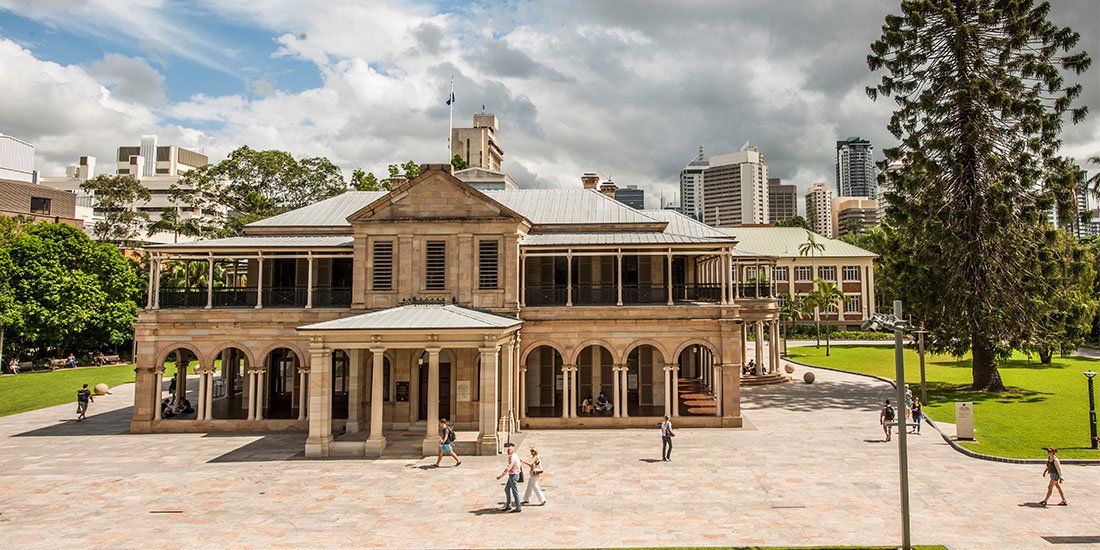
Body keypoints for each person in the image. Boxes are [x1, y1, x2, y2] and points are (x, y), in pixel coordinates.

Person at [495, 445, 523, 512]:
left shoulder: (512, 458)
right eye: (507, 450)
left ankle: (518, 507)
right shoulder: (515, 456)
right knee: (507, 489)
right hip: (513, 475)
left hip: (513, 475)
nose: (508, 451)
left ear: (512, 451)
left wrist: (500, 476)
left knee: (515, 491)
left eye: (509, 450)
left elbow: (508, 468)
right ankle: (508, 505)